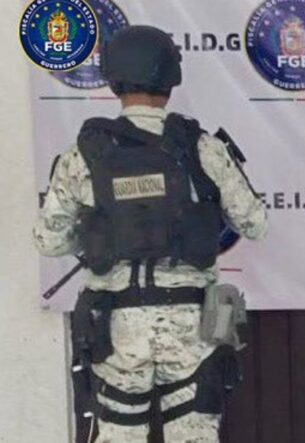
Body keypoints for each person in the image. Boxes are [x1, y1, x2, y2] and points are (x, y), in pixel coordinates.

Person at [33, 25, 268, 442]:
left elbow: (49, 240)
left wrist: (99, 241)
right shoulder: (202, 148)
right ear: (171, 79)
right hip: (192, 327)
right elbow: (255, 222)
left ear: (113, 79)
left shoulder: (82, 155)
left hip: (116, 329)